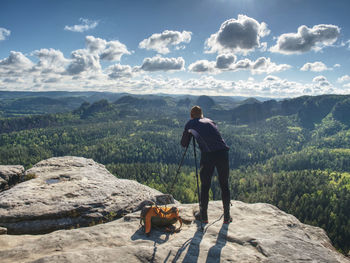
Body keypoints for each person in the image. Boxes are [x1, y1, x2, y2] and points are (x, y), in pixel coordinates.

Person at [181, 105, 232, 224]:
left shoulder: (190, 123)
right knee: (224, 184)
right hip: (223, 153)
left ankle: (203, 217)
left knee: (205, 185)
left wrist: (190, 134)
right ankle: (227, 217)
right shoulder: (210, 121)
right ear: (202, 114)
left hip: (208, 155)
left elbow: (184, 143)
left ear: (191, 115)